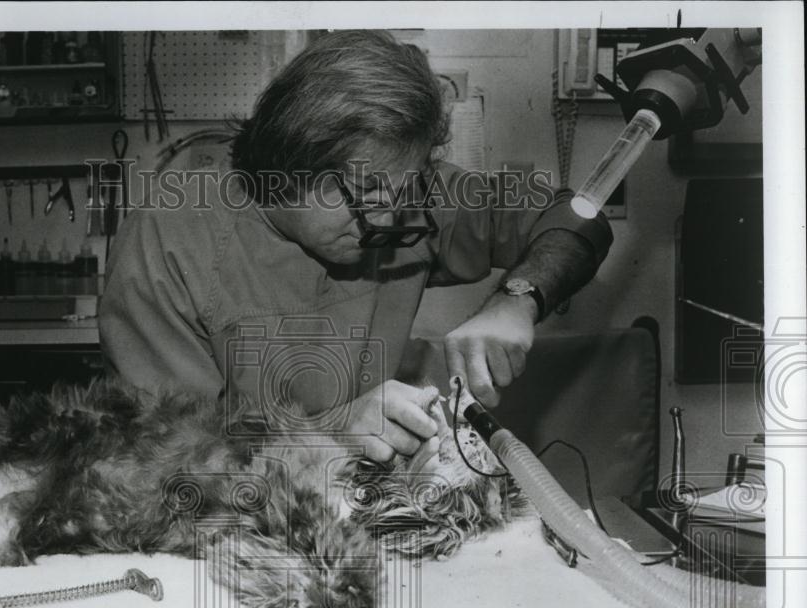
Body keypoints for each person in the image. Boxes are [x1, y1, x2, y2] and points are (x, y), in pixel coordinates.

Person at [100, 30, 612, 462]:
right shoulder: (167, 249)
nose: (387, 222)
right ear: (287, 165)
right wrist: (332, 434)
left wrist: (519, 297)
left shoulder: (399, 191)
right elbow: (174, 460)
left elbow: (579, 217)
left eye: (404, 192)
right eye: (364, 196)